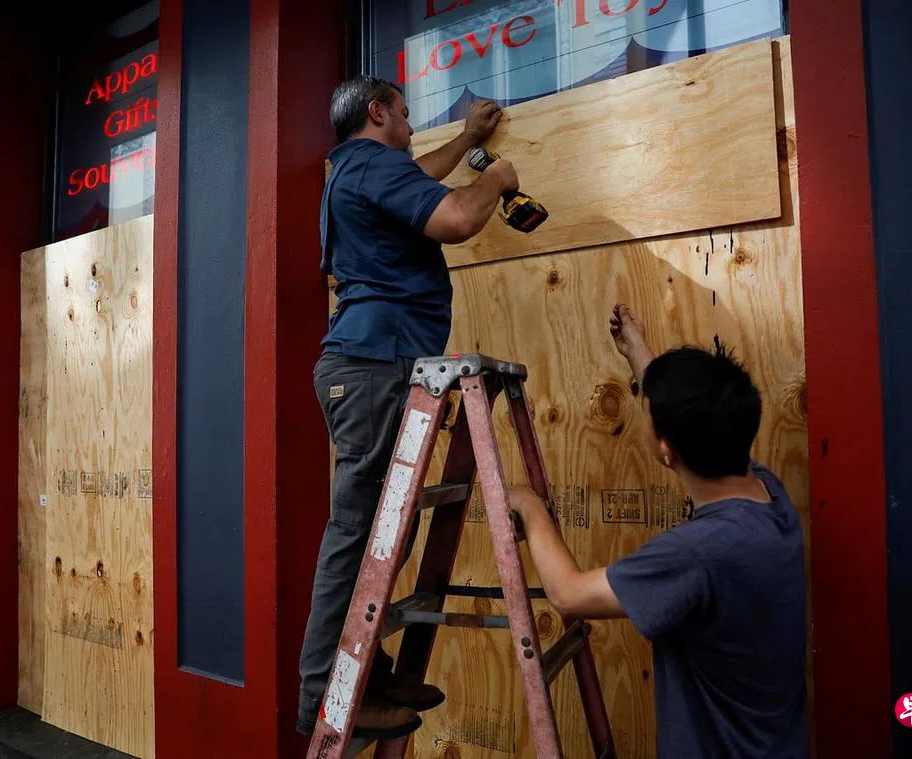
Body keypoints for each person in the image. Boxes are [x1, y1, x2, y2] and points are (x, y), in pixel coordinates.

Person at [297, 75, 520, 740]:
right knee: (357, 537)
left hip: (370, 364)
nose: (413, 125)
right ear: (378, 112)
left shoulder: (354, 170)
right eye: (404, 112)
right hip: (375, 366)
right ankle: (324, 697)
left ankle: (367, 671)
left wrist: (467, 139)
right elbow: (455, 219)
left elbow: (420, 175)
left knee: (382, 536)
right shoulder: (373, 165)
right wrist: (496, 177)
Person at [508, 304, 808, 758]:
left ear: (667, 452)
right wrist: (637, 350)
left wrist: (530, 506)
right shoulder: (768, 495)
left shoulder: (700, 553)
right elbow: (697, 417)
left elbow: (568, 595)